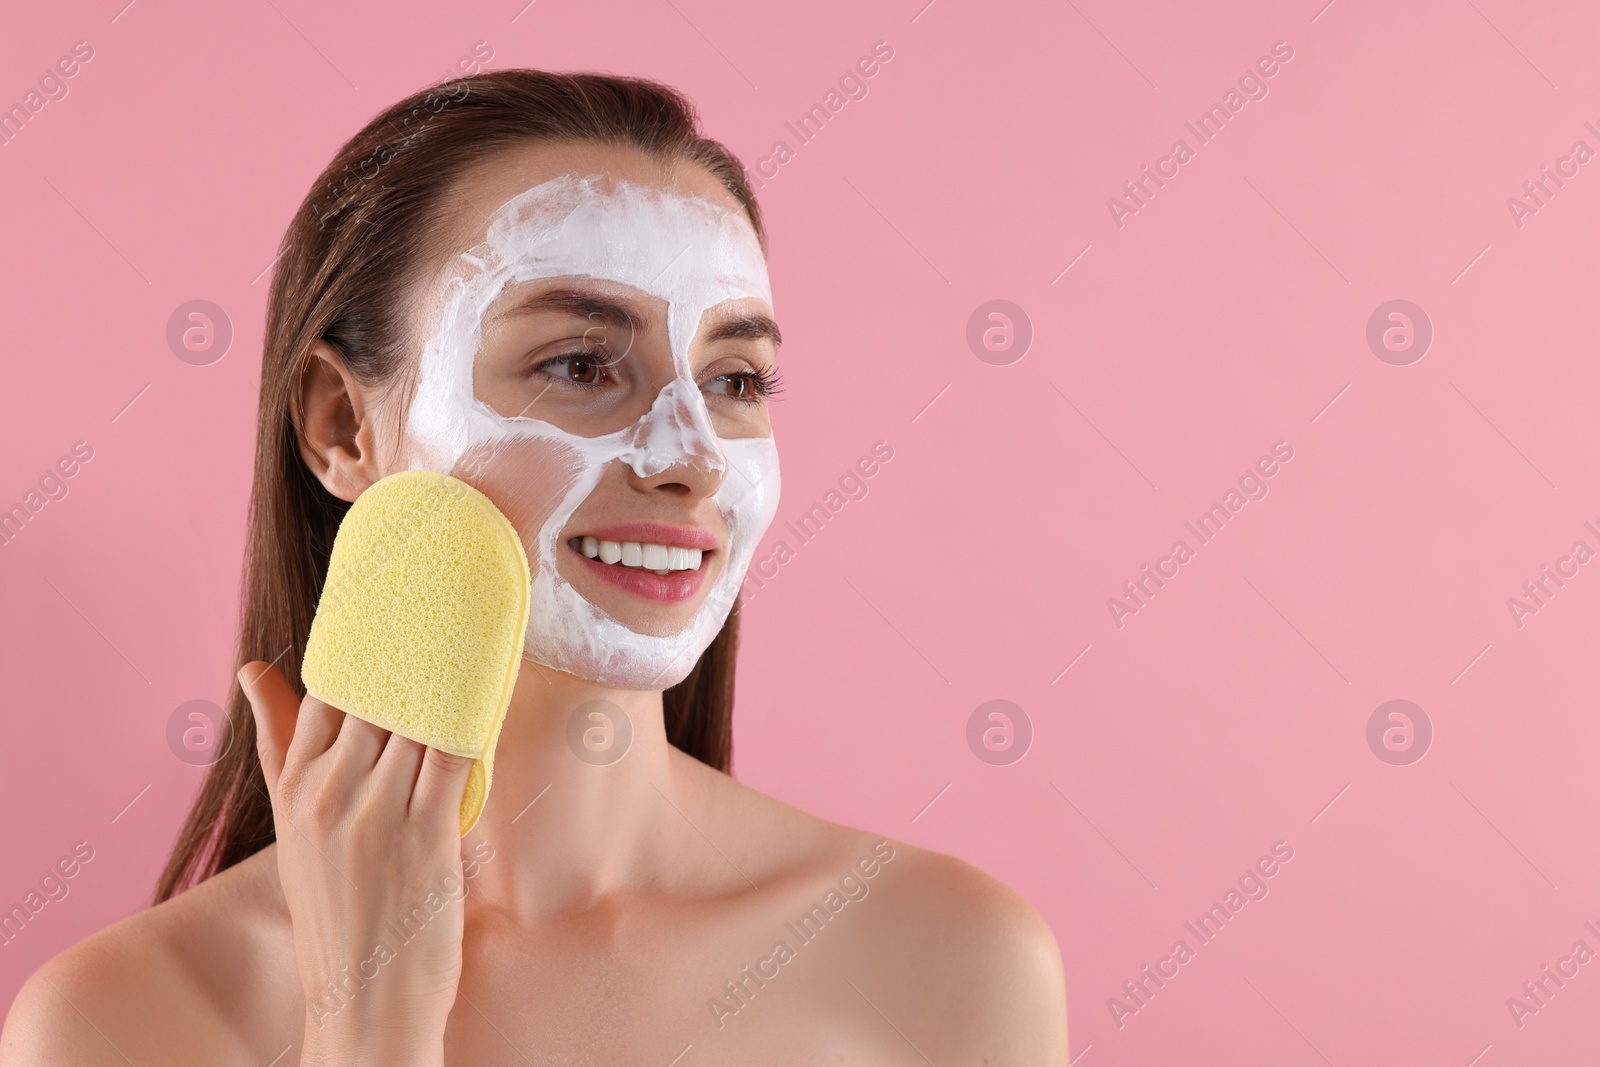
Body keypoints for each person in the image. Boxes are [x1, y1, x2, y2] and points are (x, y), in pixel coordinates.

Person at [0, 70, 1068, 1065]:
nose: (691, 456)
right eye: (579, 364)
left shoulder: (947, 960)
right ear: (341, 425)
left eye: (736, 378)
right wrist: (369, 1017)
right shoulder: (119, 1020)